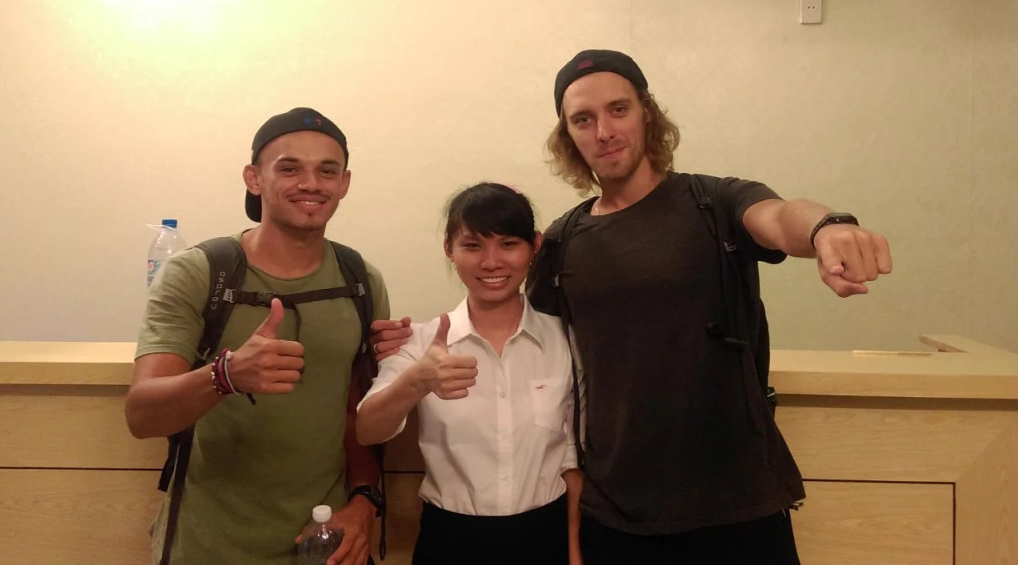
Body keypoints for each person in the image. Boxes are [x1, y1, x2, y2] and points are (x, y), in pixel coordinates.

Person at [372, 49, 893, 564]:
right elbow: (515, 328)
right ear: (568, 136)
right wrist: (412, 345)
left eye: (618, 109)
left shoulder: (713, 202)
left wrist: (827, 228)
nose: (604, 131)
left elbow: (780, 217)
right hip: (617, 516)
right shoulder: (562, 241)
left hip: (735, 502)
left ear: (647, 112)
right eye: (583, 119)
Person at [125, 107, 390, 565]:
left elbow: (357, 408)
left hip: (324, 543)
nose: (311, 183)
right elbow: (142, 416)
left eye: (327, 171)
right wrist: (225, 375)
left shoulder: (361, 280)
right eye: (289, 168)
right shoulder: (199, 274)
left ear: (344, 183)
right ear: (254, 178)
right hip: (209, 546)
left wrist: (366, 500)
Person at [357, 183, 583, 565]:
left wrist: (575, 554)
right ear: (450, 248)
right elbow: (367, 430)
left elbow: (570, 459)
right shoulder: (421, 342)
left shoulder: (565, 339)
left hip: (547, 534)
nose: (491, 262)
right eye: (473, 245)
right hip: (450, 539)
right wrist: (418, 381)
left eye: (508, 244)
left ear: (534, 246)